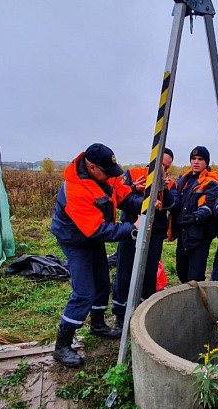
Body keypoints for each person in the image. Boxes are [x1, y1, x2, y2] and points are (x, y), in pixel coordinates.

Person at [50, 143, 142, 368]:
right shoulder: (76, 189)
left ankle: (98, 325)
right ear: (92, 167)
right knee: (84, 292)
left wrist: (145, 203)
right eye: (106, 172)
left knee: (102, 281)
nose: (111, 176)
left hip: (93, 236)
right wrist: (132, 228)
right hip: (75, 239)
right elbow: (97, 230)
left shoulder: (105, 177)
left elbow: (123, 196)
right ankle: (62, 345)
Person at [110, 148, 178, 334]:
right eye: (161, 164)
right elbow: (122, 198)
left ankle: (144, 313)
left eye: (167, 166)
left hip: (155, 233)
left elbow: (173, 205)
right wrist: (140, 196)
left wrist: (164, 190)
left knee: (149, 273)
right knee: (124, 271)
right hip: (131, 229)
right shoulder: (134, 174)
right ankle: (120, 315)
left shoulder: (170, 183)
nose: (163, 169)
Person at [172, 146, 218, 282]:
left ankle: (197, 295)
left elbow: (208, 205)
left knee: (195, 276)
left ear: (206, 162)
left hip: (199, 235)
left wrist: (196, 216)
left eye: (200, 159)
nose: (196, 162)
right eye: (193, 159)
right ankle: (187, 293)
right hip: (183, 233)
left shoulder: (211, 183)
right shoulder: (183, 180)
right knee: (181, 271)